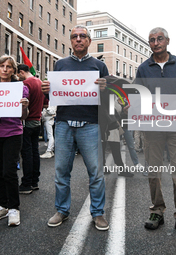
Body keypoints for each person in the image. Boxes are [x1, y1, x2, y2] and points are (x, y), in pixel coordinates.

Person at [42, 25, 109, 231]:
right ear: (70, 41)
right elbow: (55, 96)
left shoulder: (99, 65)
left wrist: (106, 89)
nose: (78, 39)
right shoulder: (60, 64)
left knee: (96, 173)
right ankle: (62, 210)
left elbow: (108, 98)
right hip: (63, 124)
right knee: (62, 171)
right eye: (74, 37)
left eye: (82, 36)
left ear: (88, 41)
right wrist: (47, 91)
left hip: (90, 124)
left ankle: (98, 213)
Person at [134, 27, 176, 239]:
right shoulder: (143, 68)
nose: (156, 42)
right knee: (154, 172)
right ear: (149, 43)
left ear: (167, 41)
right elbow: (135, 94)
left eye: (160, 39)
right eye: (152, 40)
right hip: (152, 126)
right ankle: (157, 211)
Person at [0, 55, 29, 227]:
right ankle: (2, 205)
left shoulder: (21, 88)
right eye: (2, 66)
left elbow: (23, 117)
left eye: (9, 67)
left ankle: (14, 208)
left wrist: (24, 106)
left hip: (13, 133)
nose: (5, 69)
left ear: (14, 71)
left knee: (9, 171)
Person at [17, 64, 44, 194]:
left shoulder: (26, 84)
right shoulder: (39, 82)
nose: (18, 77)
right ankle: (34, 181)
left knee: (26, 154)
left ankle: (26, 183)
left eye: (18, 75)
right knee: (34, 152)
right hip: (37, 120)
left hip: (27, 121)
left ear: (22, 72)